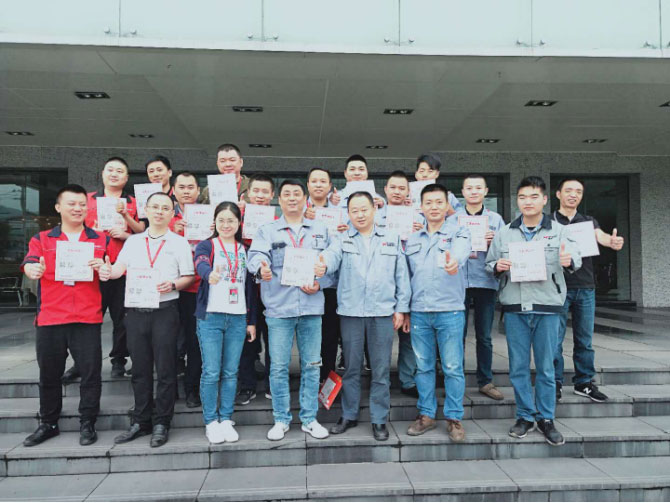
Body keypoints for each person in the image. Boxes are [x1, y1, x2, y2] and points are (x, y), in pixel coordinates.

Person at [486, 176, 581, 447]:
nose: (528, 202)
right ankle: (525, 416)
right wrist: (497, 266)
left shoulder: (559, 231)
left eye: (533, 197)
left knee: (546, 367)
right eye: (522, 197)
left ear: (544, 200)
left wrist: (569, 260)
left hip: (547, 307)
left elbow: (576, 258)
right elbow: (489, 263)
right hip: (515, 307)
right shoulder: (505, 232)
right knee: (517, 367)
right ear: (517, 201)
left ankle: (546, 418)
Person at [102, 192, 195, 448]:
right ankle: (141, 420)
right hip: (136, 312)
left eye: (165, 208)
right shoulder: (133, 242)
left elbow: (188, 276)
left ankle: (162, 422)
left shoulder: (179, 243)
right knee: (140, 369)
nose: (159, 212)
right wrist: (108, 271)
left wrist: (173, 284)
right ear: (146, 210)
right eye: (155, 207)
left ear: (172, 213)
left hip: (165, 310)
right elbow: (119, 269)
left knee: (165, 369)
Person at [315, 191, 410, 440]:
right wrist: (322, 263)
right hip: (351, 312)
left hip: (382, 312)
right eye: (354, 210)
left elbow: (401, 275)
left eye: (364, 209)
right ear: (348, 213)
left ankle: (379, 419)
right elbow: (330, 257)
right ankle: (349, 414)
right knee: (351, 367)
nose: (359, 214)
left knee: (380, 369)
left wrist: (401, 308)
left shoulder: (391, 238)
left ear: (374, 210)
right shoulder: (342, 239)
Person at [21, 184, 110, 447]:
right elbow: (30, 262)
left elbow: (112, 267)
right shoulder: (42, 238)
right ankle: (48, 423)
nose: (78, 208)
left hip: (87, 317)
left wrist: (105, 269)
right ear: (58, 207)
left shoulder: (100, 238)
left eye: (82, 204)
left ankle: (88, 422)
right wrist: (32, 270)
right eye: (71, 204)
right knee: (49, 374)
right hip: (51, 317)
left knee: (91, 374)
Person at [248, 179, 332, 441]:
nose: (292, 198)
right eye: (287, 194)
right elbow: (254, 257)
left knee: (312, 365)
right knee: (278, 367)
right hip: (279, 309)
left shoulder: (321, 229)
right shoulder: (267, 230)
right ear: (280, 200)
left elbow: (333, 265)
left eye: (297, 193)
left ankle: (309, 418)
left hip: (311, 307)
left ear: (305, 198)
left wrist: (320, 283)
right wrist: (260, 268)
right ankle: (281, 419)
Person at [63, 157, 143, 382]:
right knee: (86, 317)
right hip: (90, 269)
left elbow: (144, 234)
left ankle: (118, 360)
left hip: (123, 269)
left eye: (120, 171)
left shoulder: (134, 203)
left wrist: (125, 234)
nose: (114, 174)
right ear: (103, 173)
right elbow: (72, 226)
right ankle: (81, 362)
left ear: (126, 177)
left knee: (122, 319)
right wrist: (92, 231)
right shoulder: (87, 200)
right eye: (110, 170)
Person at [404, 184, 471, 442]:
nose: (433, 207)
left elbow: (461, 252)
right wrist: (405, 310)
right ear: (421, 207)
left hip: (449, 311)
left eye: (438, 202)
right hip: (419, 312)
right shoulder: (412, 239)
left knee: (452, 367)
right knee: (423, 367)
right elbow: (406, 277)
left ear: (447, 206)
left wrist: (454, 262)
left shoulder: (459, 232)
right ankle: (427, 415)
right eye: (428, 203)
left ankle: (454, 417)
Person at [552, 178, 625, 402]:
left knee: (584, 339)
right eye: (568, 190)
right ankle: (554, 382)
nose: (573, 195)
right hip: (557, 287)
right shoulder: (550, 221)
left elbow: (600, 236)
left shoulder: (588, 221)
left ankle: (583, 382)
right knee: (554, 339)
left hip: (585, 287)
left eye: (578, 191)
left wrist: (611, 242)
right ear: (558, 194)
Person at [194, 202, 257, 443]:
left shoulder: (245, 250)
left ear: (239, 223)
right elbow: (200, 262)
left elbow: (250, 289)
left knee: (231, 371)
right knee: (211, 371)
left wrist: (251, 321)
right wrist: (208, 273)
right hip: (211, 317)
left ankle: (226, 419)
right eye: (221, 220)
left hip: (238, 317)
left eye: (231, 220)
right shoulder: (207, 245)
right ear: (215, 222)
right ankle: (211, 421)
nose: (226, 225)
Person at [447, 174, 505, 401]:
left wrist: (494, 241)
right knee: (456, 334)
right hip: (457, 282)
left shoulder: (495, 219)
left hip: (485, 280)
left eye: (478, 188)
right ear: (462, 192)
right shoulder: (453, 219)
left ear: (485, 191)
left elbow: (505, 249)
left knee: (484, 335)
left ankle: (485, 381)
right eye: (469, 188)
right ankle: (456, 381)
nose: (473, 191)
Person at [377, 170, 422, 397]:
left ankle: (407, 380)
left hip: (412, 282)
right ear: (385, 190)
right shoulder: (375, 216)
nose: (397, 191)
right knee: (380, 338)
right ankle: (380, 381)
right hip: (382, 283)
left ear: (408, 191)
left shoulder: (419, 218)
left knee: (409, 335)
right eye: (393, 187)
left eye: (401, 188)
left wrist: (420, 232)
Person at [303, 167, 346, 383]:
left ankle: (326, 379)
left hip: (330, 284)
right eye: (314, 181)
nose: (318, 185)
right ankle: (308, 378)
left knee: (329, 334)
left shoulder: (341, 212)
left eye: (323, 181)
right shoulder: (298, 210)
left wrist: (346, 231)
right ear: (308, 185)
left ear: (330, 186)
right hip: (304, 282)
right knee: (306, 334)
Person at [236, 174, 276, 405]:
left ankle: (272, 383)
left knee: (273, 338)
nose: (260, 196)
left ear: (272, 195)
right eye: (256, 191)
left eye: (265, 192)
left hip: (271, 288)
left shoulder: (278, 222)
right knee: (246, 338)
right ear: (248, 193)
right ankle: (247, 385)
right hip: (244, 287)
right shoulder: (236, 218)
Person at [169, 171, 204, 408]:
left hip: (197, 288)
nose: (186, 191)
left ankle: (192, 389)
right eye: (181, 187)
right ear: (173, 190)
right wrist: (173, 231)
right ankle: (169, 389)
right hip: (170, 287)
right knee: (169, 341)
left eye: (191, 187)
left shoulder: (208, 214)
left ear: (198, 191)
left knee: (194, 342)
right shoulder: (165, 214)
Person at [199, 143, 250, 210]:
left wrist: (248, 207)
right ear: (217, 164)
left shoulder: (252, 186)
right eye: (222, 161)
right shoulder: (209, 188)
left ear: (241, 162)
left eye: (232, 160)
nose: (228, 164)